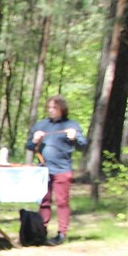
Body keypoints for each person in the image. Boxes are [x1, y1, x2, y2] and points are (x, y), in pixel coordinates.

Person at [26, 95, 86, 245]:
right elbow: (29, 146)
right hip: (44, 170)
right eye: (49, 108)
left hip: (62, 169)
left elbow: (82, 145)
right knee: (44, 201)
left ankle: (62, 233)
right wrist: (34, 140)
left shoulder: (71, 124)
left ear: (62, 109)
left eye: (54, 108)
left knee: (62, 201)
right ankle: (42, 230)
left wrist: (74, 137)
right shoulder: (41, 125)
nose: (51, 111)